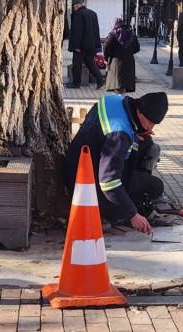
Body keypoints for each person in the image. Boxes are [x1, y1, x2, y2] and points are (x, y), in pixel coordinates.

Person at [65, 92, 169, 235]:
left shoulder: (113, 100)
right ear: (139, 112)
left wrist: (134, 134)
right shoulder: (120, 134)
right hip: (88, 187)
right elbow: (109, 182)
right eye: (149, 123)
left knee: (148, 144)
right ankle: (117, 211)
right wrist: (132, 214)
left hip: (78, 163)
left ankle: (124, 203)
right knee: (156, 186)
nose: (151, 128)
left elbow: (101, 132)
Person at [66, 0, 104, 90]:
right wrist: (96, 44)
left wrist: (77, 46)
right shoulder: (93, 13)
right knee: (90, 63)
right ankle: (100, 80)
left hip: (81, 46)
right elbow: (96, 30)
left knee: (77, 64)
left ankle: (76, 83)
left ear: (78, 6)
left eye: (74, 6)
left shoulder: (79, 15)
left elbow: (78, 32)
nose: (74, 8)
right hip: (91, 45)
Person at [104, 18, 140, 94]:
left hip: (116, 62)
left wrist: (107, 58)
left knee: (116, 85)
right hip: (129, 63)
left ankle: (119, 101)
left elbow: (106, 47)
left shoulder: (113, 34)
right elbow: (137, 48)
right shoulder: (131, 34)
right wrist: (128, 53)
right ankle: (122, 100)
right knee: (124, 86)